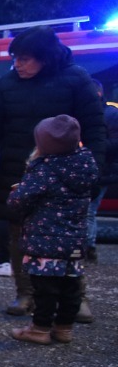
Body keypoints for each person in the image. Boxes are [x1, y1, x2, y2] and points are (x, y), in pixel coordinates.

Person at [0, 26, 106, 319]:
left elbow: (95, 127)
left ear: (45, 58)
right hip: (17, 170)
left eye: (24, 59)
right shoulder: (8, 84)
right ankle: (25, 293)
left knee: (70, 238)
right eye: (15, 59)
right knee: (19, 235)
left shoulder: (76, 80)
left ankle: (75, 297)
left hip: (66, 173)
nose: (17, 65)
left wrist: (94, 169)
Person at [7, 115, 97, 345]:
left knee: (44, 289)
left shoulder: (45, 169)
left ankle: (40, 329)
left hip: (45, 241)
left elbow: (21, 200)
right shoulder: (84, 166)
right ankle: (64, 328)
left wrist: (15, 193)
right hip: (74, 242)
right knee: (70, 287)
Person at [85, 79, 118, 262]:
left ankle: (88, 249)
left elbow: (115, 142)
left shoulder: (111, 114)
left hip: (104, 170)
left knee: (89, 211)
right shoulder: (88, 112)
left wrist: (91, 146)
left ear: (97, 93)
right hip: (92, 167)